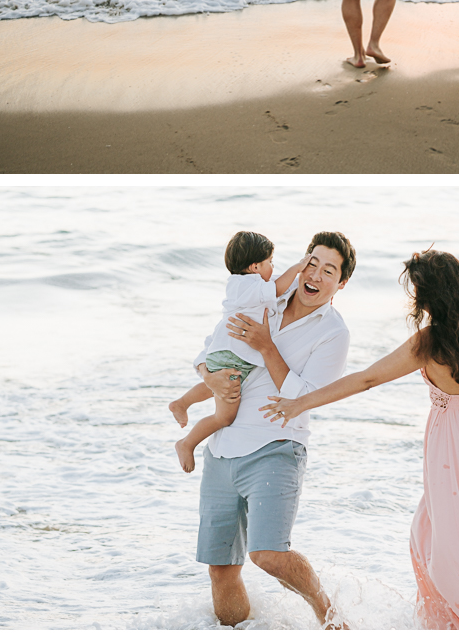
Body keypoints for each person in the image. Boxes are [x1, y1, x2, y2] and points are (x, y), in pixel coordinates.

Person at [262, 251, 459, 630]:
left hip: (454, 440)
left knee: (440, 535)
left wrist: (300, 402)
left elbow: (367, 379)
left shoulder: (429, 343)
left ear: (430, 297)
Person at [192, 231, 356, 629]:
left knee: (267, 554)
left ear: (341, 283)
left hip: (276, 447)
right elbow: (208, 351)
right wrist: (208, 378)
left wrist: (267, 347)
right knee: (220, 567)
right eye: (311, 263)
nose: (315, 274)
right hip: (223, 447)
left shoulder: (334, 332)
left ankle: (327, 613)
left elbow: (306, 397)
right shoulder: (264, 296)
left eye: (328, 270)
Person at [168, 230, 310, 472]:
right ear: (255, 266)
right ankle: (187, 442)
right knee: (224, 417)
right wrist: (297, 268)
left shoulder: (246, 285)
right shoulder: (246, 284)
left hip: (228, 355)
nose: (272, 268)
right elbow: (277, 288)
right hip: (230, 356)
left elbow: (281, 289)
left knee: (216, 387)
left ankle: (182, 403)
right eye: (269, 263)